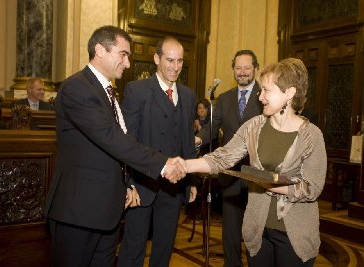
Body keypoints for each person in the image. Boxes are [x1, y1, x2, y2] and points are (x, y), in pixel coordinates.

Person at [44, 26, 187, 267]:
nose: (128, 63)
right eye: (123, 54)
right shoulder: (77, 88)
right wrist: (162, 164)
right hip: (79, 212)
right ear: (100, 50)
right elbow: (112, 139)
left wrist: (127, 185)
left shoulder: (107, 91)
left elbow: (116, 147)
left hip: (107, 212)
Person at [185, 58, 327, 267]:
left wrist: (268, 182)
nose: (260, 97)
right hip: (258, 231)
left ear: (289, 93)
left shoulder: (311, 135)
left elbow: (312, 188)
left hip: (294, 235)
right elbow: (223, 157)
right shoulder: (254, 127)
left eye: (266, 90)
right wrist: (184, 165)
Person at [117, 36, 197, 267]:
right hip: (142, 185)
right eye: (169, 60)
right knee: (133, 247)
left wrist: (191, 181)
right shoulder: (136, 91)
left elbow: (188, 143)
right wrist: (129, 183)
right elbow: (127, 141)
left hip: (174, 187)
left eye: (180, 61)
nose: (175, 66)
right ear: (156, 59)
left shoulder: (189, 96)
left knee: (164, 246)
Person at [195, 49, 263, 267]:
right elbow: (212, 129)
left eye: (247, 67)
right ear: (233, 70)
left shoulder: (266, 95)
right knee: (230, 227)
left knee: (256, 227)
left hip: (257, 172)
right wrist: (197, 140)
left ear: (255, 68)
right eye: (238, 68)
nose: (242, 72)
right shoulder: (223, 99)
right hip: (230, 172)